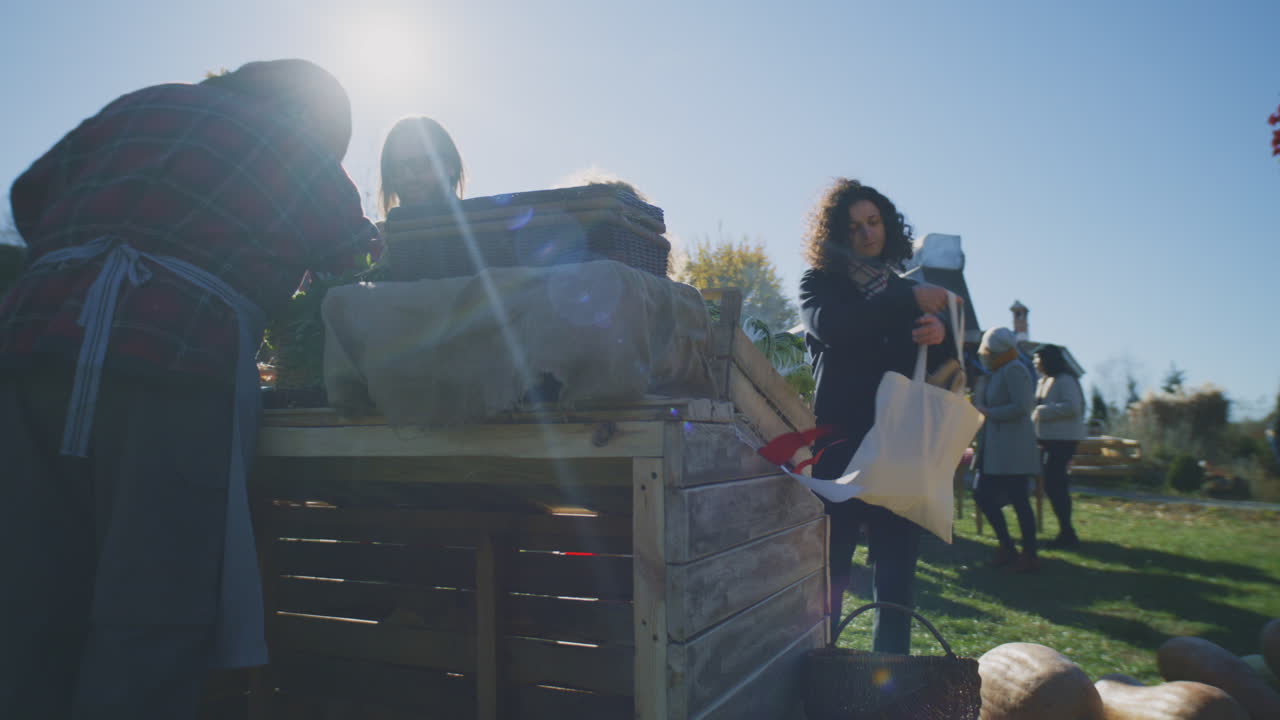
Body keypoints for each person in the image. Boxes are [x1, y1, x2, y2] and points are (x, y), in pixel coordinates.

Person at [0, 59, 378, 719]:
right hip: (172, 352)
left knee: (25, 598)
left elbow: (30, 194)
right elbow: (356, 262)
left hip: (32, 339)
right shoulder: (295, 143)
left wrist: (86, 244)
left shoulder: (146, 100)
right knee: (150, 610)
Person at [799, 178, 955, 652]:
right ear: (838, 235)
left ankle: (892, 684)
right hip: (841, 447)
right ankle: (820, 676)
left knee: (896, 578)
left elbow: (941, 362)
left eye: (874, 222)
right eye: (854, 227)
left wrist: (937, 332)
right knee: (832, 574)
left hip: (899, 442)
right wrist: (907, 301)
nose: (868, 234)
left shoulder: (910, 292)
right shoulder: (820, 283)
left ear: (886, 224)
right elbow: (834, 326)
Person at [972, 327, 1042, 573]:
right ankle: (1007, 546)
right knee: (981, 493)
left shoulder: (1014, 369)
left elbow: (1022, 407)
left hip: (1013, 448)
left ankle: (1029, 554)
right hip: (995, 447)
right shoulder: (996, 371)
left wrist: (989, 413)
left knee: (1019, 500)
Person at [1032, 344, 1086, 548]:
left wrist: (1042, 411)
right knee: (1053, 485)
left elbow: (1073, 406)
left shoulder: (1066, 380)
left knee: (1056, 485)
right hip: (1047, 439)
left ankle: (1067, 532)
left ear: (1048, 361)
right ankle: (1066, 531)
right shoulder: (1044, 381)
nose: (1035, 363)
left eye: (1038, 360)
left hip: (1063, 440)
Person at [378, 115, 465, 219]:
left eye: (420, 164)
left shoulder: (486, 226)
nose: (408, 177)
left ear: (450, 165)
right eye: (396, 170)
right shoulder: (378, 234)